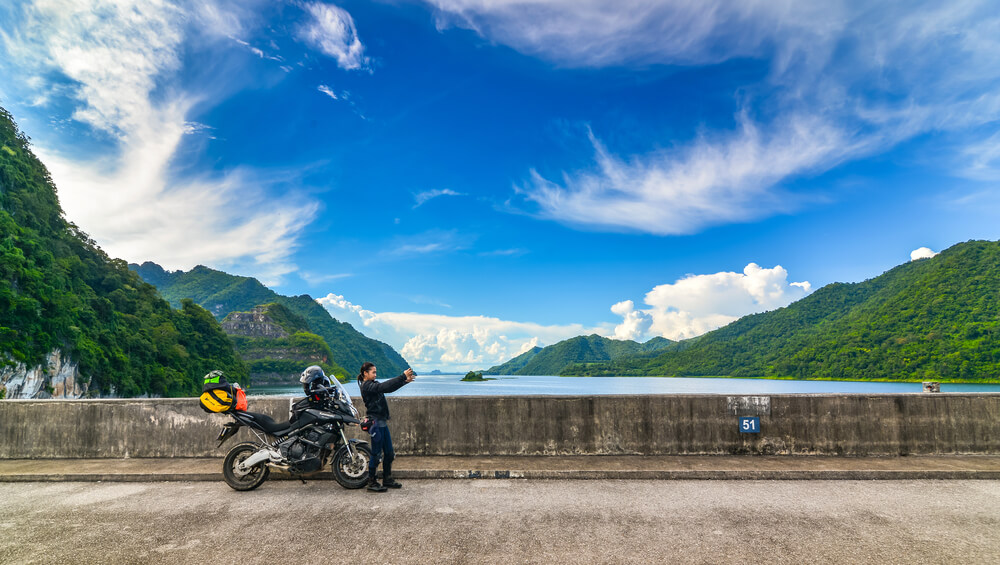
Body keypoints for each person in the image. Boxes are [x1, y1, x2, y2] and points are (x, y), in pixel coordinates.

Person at [358, 362, 415, 492]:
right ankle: (372, 482)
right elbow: (383, 386)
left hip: (382, 422)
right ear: (365, 373)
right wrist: (402, 376)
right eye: (373, 372)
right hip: (375, 423)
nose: (375, 374)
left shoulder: (373, 385)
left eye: (375, 372)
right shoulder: (366, 386)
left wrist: (404, 381)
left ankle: (387, 479)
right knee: (376, 454)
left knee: (389, 453)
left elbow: (387, 388)